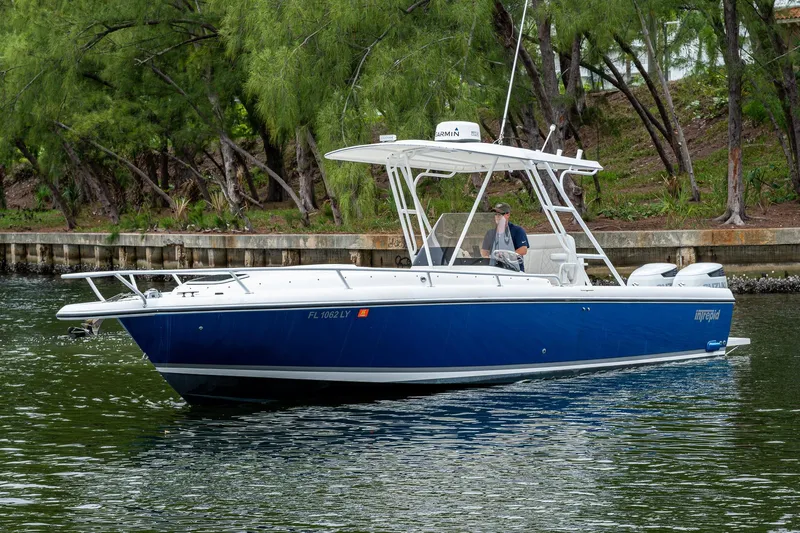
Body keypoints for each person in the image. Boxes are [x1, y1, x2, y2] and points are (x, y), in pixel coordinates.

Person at [480, 203, 529, 271]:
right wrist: (487, 258)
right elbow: (484, 251)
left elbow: (523, 250)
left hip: (514, 270)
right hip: (494, 270)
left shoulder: (517, 230)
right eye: (495, 214)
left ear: (508, 214)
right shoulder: (490, 233)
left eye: (500, 214)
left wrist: (506, 256)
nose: (497, 216)